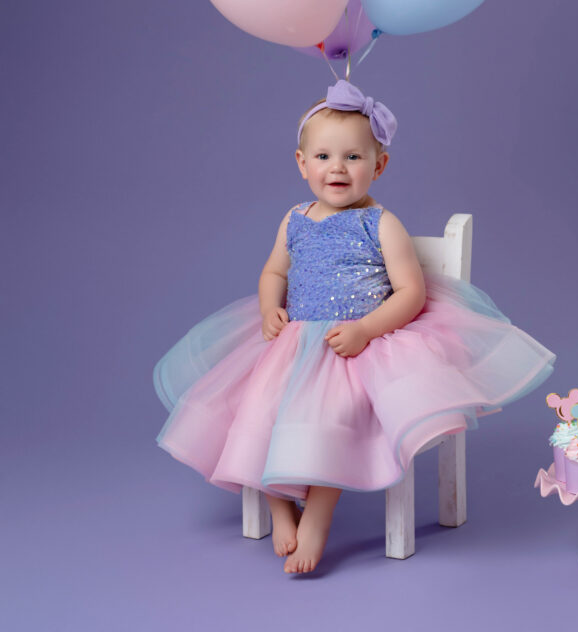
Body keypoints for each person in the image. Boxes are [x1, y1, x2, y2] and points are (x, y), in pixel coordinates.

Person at [154, 80, 555, 573]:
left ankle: (317, 517)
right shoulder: (294, 219)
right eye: (322, 156)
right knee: (256, 407)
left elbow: (412, 292)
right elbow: (273, 272)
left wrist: (366, 329)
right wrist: (267, 309)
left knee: (332, 415)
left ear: (378, 166)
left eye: (353, 157)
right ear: (302, 164)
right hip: (294, 339)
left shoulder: (380, 223)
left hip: (355, 344)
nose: (337, 168)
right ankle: (281, 507)